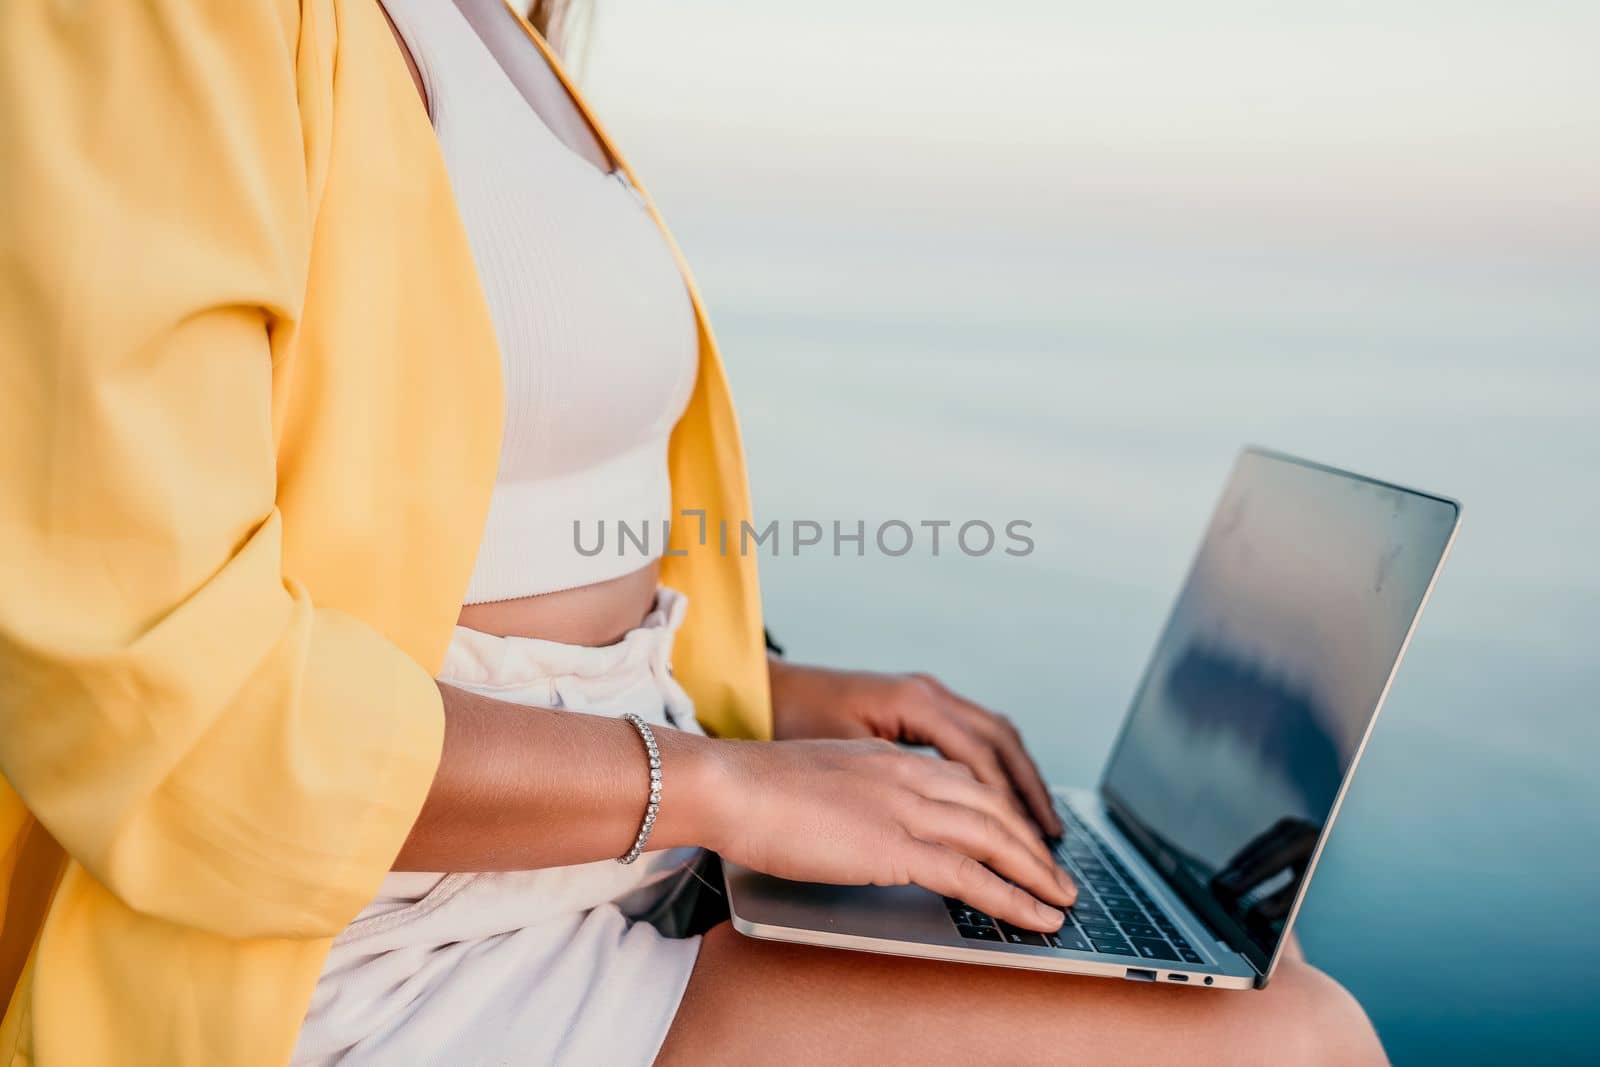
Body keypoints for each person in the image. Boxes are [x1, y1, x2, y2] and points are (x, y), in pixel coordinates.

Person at [0, 1, 1385, 1063]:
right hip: (353, 954)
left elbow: (469, 553)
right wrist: (727, 783)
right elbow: (170, 703)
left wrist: (774, 705)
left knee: (1253, 965)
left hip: (596, 859)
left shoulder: (505, 25)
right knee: (1283, 1041)